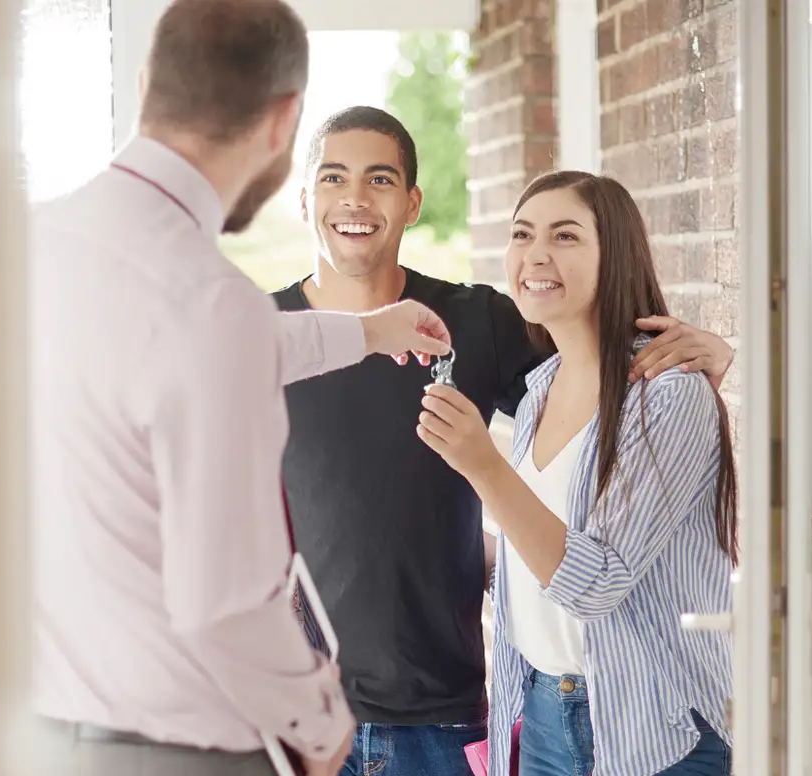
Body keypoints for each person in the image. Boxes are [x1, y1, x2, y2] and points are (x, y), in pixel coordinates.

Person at [27, 3, 458, 775]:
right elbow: (224, 604)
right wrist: (320, 723)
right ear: (285, 120)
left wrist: (368, 331)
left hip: (38, 733)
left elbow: (193, 352)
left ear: (149, 81)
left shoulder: (33, 243)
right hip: (180, 752)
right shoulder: (207, 302)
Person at [271, 107, 734, 776]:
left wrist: (708, 359)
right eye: (334, 177)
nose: (355, 198)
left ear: (412, 203)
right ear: (305, 198)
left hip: (448, 714)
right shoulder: (260, 337)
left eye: (379, 179)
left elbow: (602, 385)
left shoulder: (476, 321)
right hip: (307, 712)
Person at [415, 171, 737, 776]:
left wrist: (483, 466)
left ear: (614, 257)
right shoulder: (538, 392)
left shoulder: (668, 396)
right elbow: (537, 557)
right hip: (540, 713)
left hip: (650, 725)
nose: (535, 255)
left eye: (565, 237)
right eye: (522, 234)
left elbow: (597, 583)